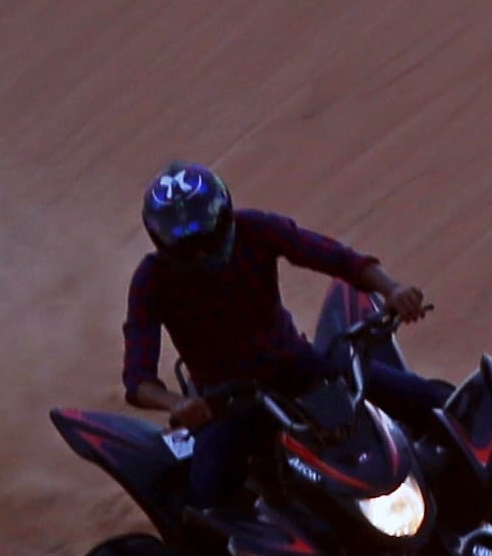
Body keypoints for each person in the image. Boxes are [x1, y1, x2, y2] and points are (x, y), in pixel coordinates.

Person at [119, 163, 430, 423]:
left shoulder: (255, 229)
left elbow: (338, 258)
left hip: (296, 367)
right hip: (225, 403)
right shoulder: (150, 281)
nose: (200, 254)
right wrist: (175, 403)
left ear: (224, 217)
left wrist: (393, 288)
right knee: (208, 486)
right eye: (186, 247)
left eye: (207, 239)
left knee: (425, 398)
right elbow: (138, 380)